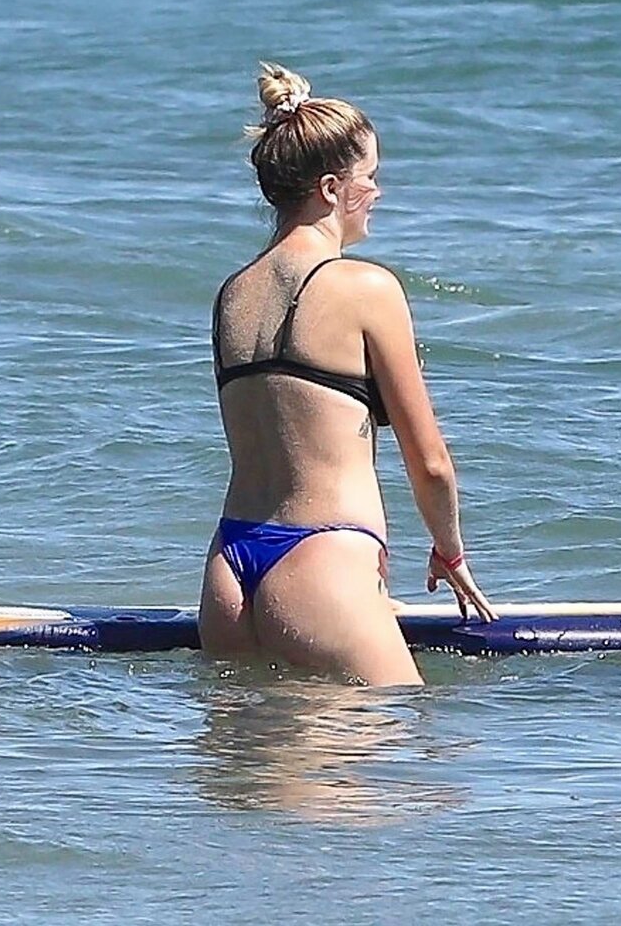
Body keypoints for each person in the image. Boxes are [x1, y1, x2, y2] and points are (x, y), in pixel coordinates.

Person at [199, 63, 497, 686]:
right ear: (332, 188)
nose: (379, 192)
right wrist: (450, 553)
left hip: (229, 572)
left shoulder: (232, 295)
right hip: (321, 557)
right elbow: (431, 462)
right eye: (371, 177)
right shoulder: (366, 288)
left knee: (252, 746)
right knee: (401, 731)